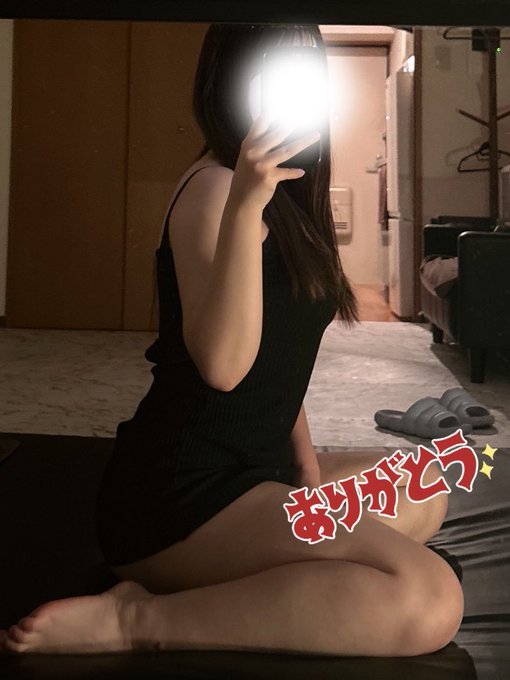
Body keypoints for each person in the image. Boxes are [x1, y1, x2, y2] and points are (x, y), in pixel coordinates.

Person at [0, 23, 463, 657]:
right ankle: (135, 619)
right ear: (233, 82)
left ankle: (269, 574)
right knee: (428, 600)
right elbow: (224, 367)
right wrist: (246, 204)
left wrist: (304, 467)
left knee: (425, 484)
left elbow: (281, 360)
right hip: (182, 497)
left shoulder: (290, 196)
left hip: (256, 471)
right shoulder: (216, 188)